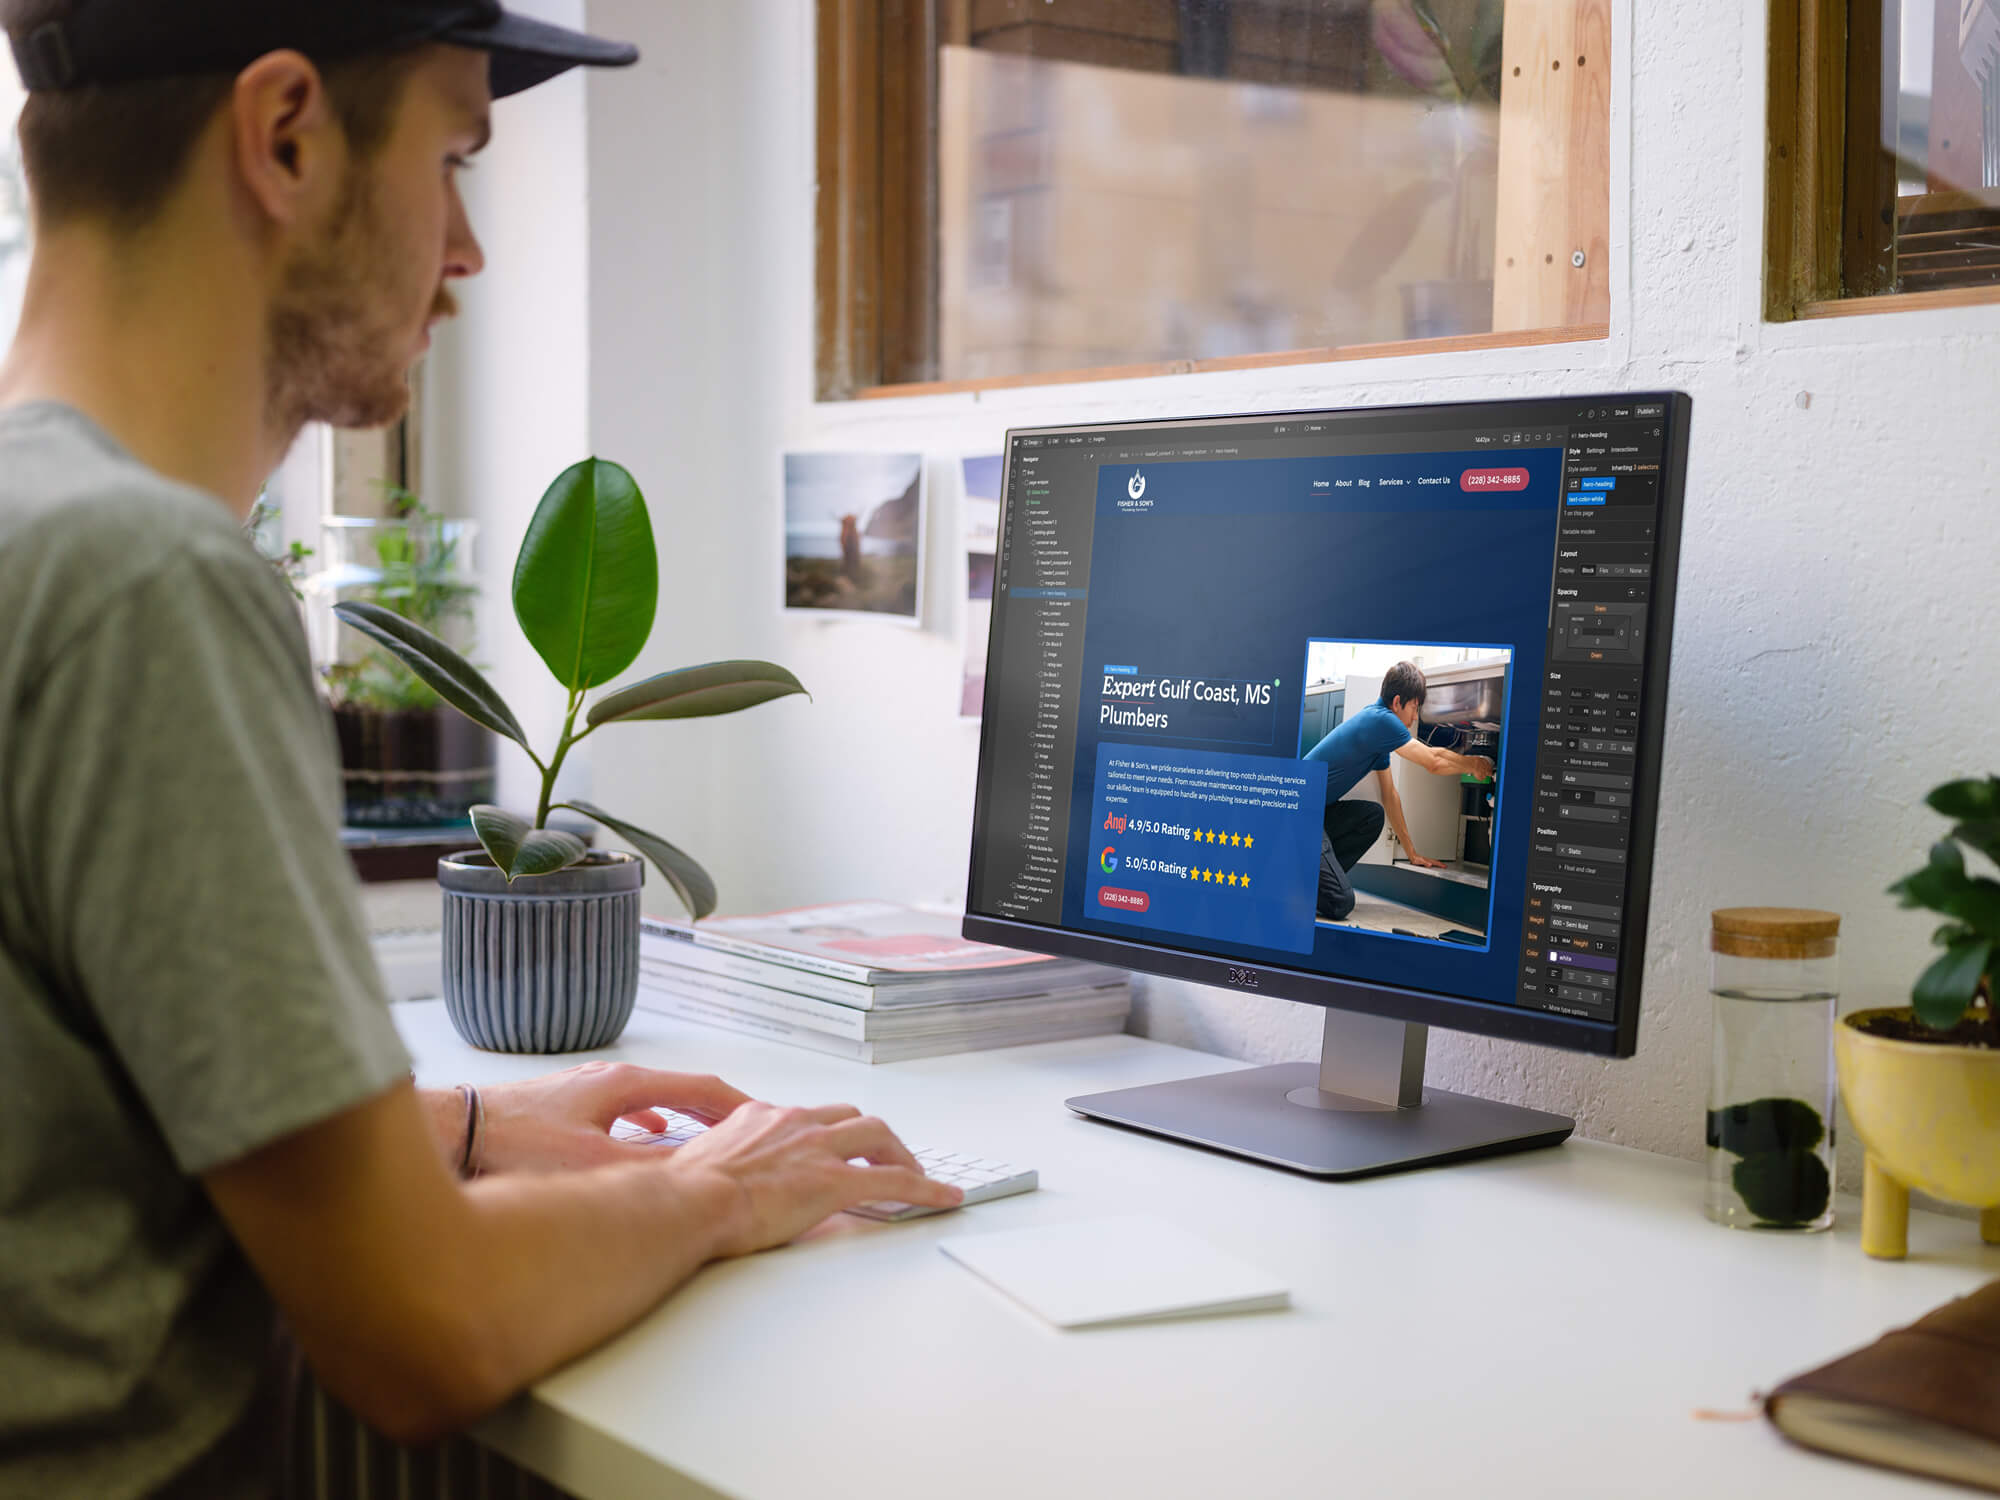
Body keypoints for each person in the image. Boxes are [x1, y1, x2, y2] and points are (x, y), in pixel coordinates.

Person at [0, 4, 960, 1495]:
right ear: (285, 137)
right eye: (452, 156)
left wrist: (457, 1127)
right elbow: (420, 1331)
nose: (467, 247)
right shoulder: (142, 580)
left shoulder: (31, 531)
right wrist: (722, 1189)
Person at [1302, 661, 1496, 922]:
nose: (1415, 717)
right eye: (1415, 707)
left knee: (1373, 816)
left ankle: (1312, 879)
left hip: (1313, 813)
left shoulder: (1378, 732)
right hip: (1298, 813)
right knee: (1340, 903)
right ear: (1397, 702)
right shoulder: (1381, 721)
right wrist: (1472, 764)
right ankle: (1300, 883)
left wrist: (1411, 853)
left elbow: (1390, 795)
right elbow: (1433, 761)